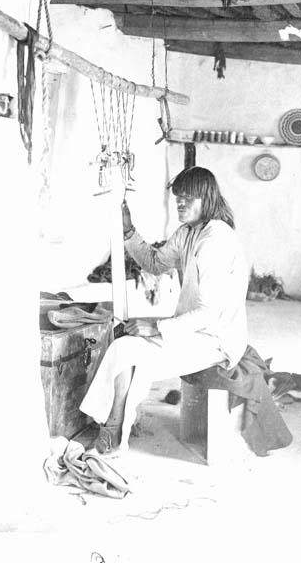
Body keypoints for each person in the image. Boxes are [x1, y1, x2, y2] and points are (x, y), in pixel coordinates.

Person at [79, 166, 249, 454]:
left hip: (217, 339)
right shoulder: (187, 232)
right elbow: (155, 263)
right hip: (192, 331)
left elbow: (209, 313)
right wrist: (128, 230)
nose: (180, 203)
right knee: (124, 347)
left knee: (131, 348)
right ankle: (115, 421)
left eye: (188, 198)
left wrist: (155, 326)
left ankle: (113, 424)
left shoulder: (216, 240)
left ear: (206, 199)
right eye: (178, 197)